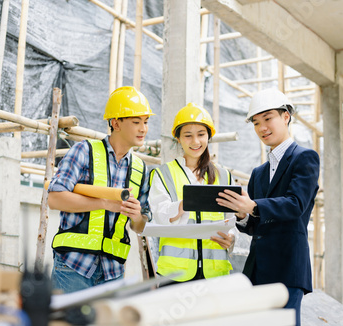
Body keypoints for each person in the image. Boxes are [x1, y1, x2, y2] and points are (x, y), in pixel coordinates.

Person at [216, 88, 320, 326]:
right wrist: (243, 214)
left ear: (286, 116)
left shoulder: (305, 158)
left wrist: (253, 206)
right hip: (257, 270)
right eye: (256, 122)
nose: (262, 127)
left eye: (268, 118)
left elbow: (296, 204)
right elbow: (255, 225)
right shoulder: (258, 173)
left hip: (288, 267)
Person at [48, 86, 154, 293]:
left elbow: (141, 226)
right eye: (136, 122)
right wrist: (104, 204)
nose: (143, 129)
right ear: (116, 123)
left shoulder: (141, 169)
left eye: (146, 122)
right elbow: (55, 198)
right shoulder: (84, 151)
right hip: (73, 267)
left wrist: (136, 217)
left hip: (113, 272)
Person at [149, 102, 235, 284]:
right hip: (175, 275)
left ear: (209, 136)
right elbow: (158, 216)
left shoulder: (224, 176)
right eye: (188, 136)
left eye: (201, 135)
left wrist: (231, 239)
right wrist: (184, 204)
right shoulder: (163, 174)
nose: (196, 142)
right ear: (178, 139)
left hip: (215, 275)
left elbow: (230, 222)